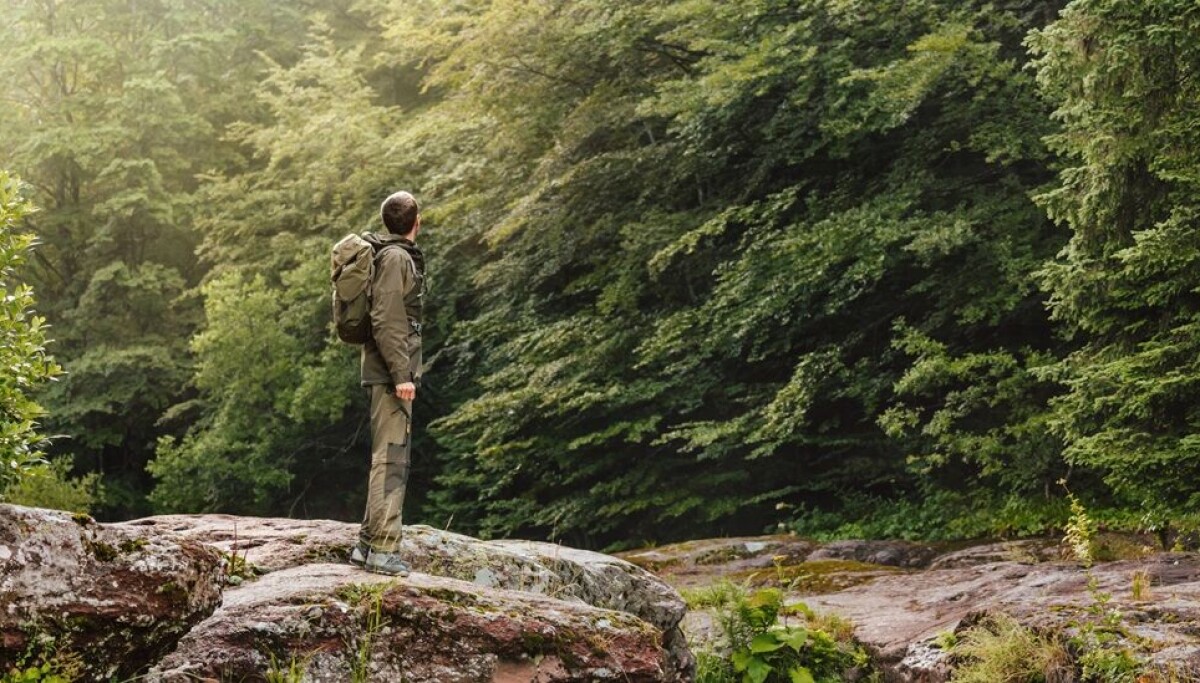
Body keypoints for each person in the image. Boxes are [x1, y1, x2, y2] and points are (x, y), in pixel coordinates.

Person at [348, 191, 425, 576]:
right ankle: (382, 550)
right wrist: (402, 376)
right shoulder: (396, 258)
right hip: (390, 374)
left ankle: (366, 545)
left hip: (387, 371)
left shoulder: (390, 255)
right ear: (417, 221)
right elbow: (387, 318)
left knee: (388, 455)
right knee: (392, 458)